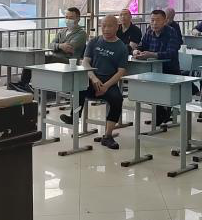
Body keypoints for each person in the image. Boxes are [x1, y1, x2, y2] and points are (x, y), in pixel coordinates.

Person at [61, 14, 127, 150]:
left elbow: (121, 71)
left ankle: (108, 135)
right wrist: (93, 77)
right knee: (79, 88)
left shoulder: (121, 47)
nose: (106, 29)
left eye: (109, 26)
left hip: (108, 82)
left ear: (117, 27)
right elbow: (85, 62)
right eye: (103, 26)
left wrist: (106, 86)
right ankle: (74, 116)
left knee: (117, 99)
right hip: (92, 78)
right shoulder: (94, 42)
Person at [135, 9, 181, 125]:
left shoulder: (171, 32)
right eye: (152, 20)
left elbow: (171, 53)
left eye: (158, 20)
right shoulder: (149, 32)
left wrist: (152, 54)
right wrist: (136, 51)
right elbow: (141, 46)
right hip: (151, 70)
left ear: (165, 21)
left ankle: (162, 112)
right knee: (138, 88)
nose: (154, 23)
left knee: (153, 89)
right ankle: (161, 111)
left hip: (169, 70)